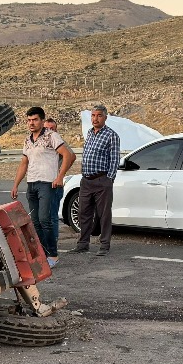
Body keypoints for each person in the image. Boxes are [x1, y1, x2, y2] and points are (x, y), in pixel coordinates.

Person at [9, 105, 74, 263]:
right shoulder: (27, 140)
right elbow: (24, 163)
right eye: (29, 120)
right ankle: (42, 254)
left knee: (45, 219)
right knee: (36, 221)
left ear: (42, 120)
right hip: (32, 183)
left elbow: (69, 155)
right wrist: (16, 184)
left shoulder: (51, 136)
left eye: (35, 120)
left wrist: (60, 177)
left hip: (47, 183)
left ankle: (53, 255)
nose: (31, 123)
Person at [73, 105, 120, 255]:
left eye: (99, 115)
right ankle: (83, 244)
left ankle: (104, 245)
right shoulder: (89, 133)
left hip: (102, 180)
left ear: (105, 117)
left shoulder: (111, 135)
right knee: (83, 213)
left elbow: (114, 159)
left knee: (104, 214)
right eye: (93, 115)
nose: (95, 118)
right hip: (86, 180)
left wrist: (109, 179)